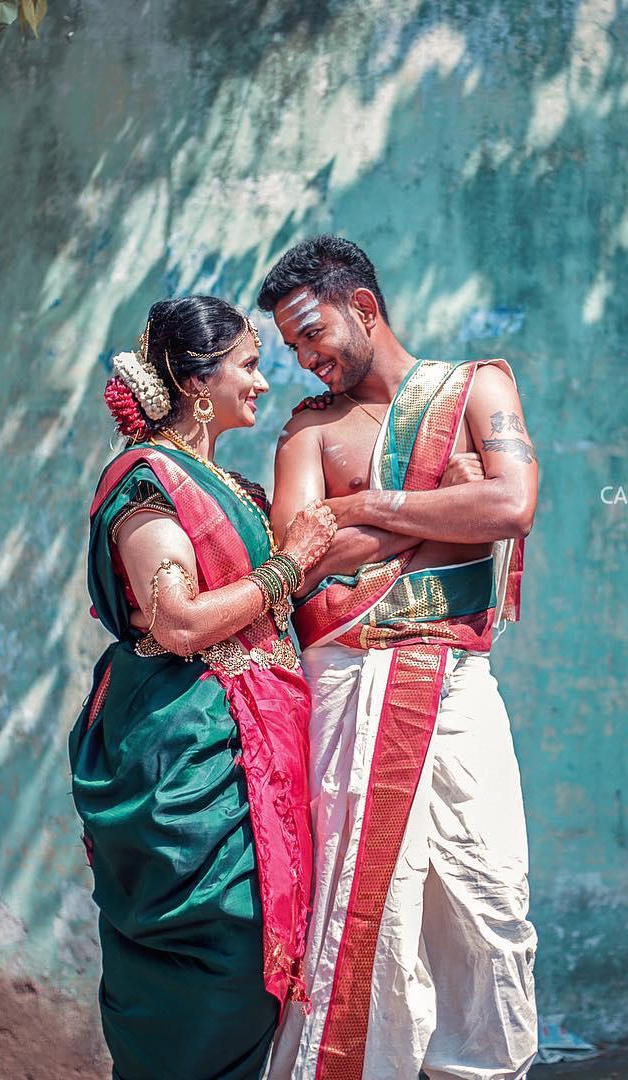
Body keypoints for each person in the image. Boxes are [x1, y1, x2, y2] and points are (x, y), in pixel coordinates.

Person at [258, 236, 539, 1080]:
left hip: (454, 687)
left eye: (312, 334)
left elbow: (513, 503)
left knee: (489, 901)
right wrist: (450, 504)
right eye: (292, 347)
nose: (306, 360)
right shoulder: (310, 431)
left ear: (364, 308)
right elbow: (300, 552)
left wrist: (373, 506)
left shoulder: (475, 388)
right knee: (359, 916)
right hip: (350, 684)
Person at [68, 295, 337, 1080]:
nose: (264, 381)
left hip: (247, 755)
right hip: (186, 766)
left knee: (256, 971)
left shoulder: (233, 488)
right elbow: (178, 621)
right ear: (197, 383)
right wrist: (290, 565)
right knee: (220, 955)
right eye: (250, 365)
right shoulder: (146, 479)